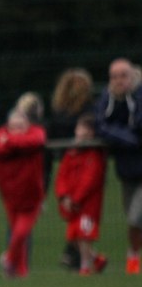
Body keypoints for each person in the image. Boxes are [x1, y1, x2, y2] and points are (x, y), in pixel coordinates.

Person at [0, 102, 47, 278]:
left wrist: (8, 141)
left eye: (21, 126)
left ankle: (9, 259)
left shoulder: (35, 132)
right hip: (9, 194)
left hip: (31, 195)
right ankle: (20, 271)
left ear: (28, 125)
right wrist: (11, 143)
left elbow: (36, 140)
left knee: (20, 233)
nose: (17, 130)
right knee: (18, 233)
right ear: (8, 125)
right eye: (13, 126)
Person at [94, 57, 142, 275]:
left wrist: (120, 134)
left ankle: (132, 256)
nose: (119, 80)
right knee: (132, 219)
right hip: (126, 170)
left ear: (132, 76)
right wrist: (128, 138)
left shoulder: (140, 96)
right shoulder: (107, 98)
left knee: (136, 216)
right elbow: (101, 126)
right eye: (114, 76)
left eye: (123, 75)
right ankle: (134, 255)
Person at [48, 68, 95, 270]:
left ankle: (79, 255)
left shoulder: (64, 112)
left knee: (79, 212)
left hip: (80, 164)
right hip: (71, 164)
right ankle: (83, 255)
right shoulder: (85, 111)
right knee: (74, 211)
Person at [55, 115, 108, 275]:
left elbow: (89, 180)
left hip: (87, 204)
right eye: (80, 131)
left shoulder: (94, 156)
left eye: (85, 132)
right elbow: (62, 175)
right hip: (71, 202)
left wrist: (76, 198)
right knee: (74, 235)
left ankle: (85, 266)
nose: (81, 135)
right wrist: (64, 196)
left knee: (84, 234)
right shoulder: (71, 153)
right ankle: (96, 259)